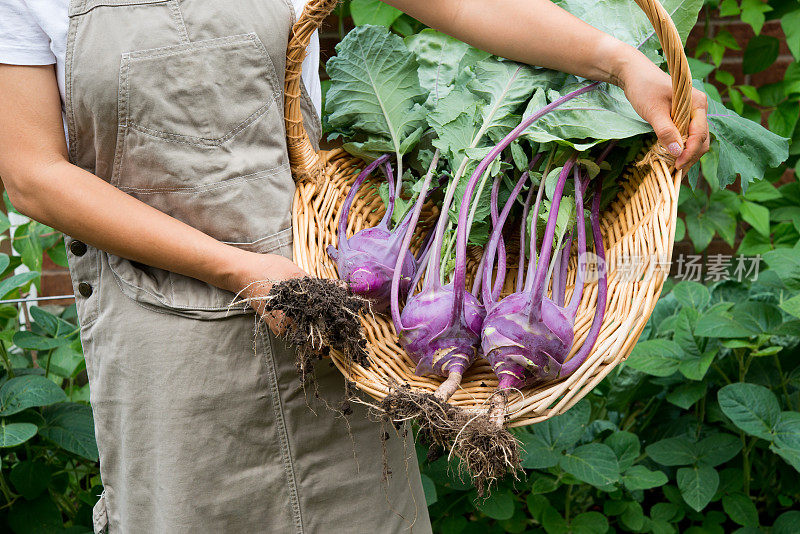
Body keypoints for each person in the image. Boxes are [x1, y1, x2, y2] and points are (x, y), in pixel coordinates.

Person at [0, 0, 709, 531]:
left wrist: (617, 60)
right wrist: (237, 270)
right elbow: (32, 175)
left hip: (334, 333)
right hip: (167, 339)